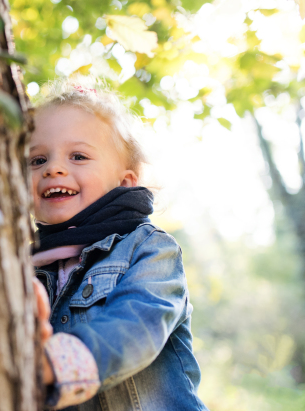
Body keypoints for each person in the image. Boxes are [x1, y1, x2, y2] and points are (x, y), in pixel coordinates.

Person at [29, 77, 208, 410]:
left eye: (78, 156)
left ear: (123, 182)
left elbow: (138, 324)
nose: (53, 168)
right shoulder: (27, 266)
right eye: (37, 160)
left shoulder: (149, 249)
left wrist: (56, 363)